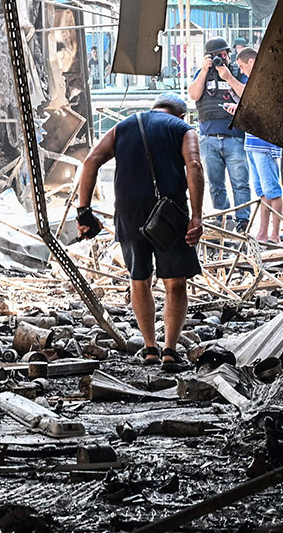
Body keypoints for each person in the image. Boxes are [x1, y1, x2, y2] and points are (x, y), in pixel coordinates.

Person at [72, 92, 206, 373]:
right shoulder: (183, 128)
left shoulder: (123, 126)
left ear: (154, 108)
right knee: (174, 281)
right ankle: (170, 349)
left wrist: (84, 210)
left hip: (130, 213)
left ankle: (149, 348)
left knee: (139, 279)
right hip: (168, 215)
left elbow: (91, 161)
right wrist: (196, 216)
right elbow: (194, 165)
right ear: (180, 114)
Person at [188, 36, 250, 232]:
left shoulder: (236, 73)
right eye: (215, 56)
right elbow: (194, 95)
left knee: (240, 182)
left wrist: (229, 78)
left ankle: (243, 221)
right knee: (216, 185)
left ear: (228, 55)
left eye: (222, 55)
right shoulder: (202, 73)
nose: (219, 59)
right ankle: (223, 219)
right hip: (209, 138)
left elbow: (248, 95)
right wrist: (205, 70)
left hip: (234, 137)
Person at [233, 47, 283, 243]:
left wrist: (229, 78)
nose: (242, 71)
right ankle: (262, 232)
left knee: (272, 189)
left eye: (242, 66)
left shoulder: (264, 79)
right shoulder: (252, 81)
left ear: (251, 62)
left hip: (264, 142)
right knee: (262, 192)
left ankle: (275, 234)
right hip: (252, 141)